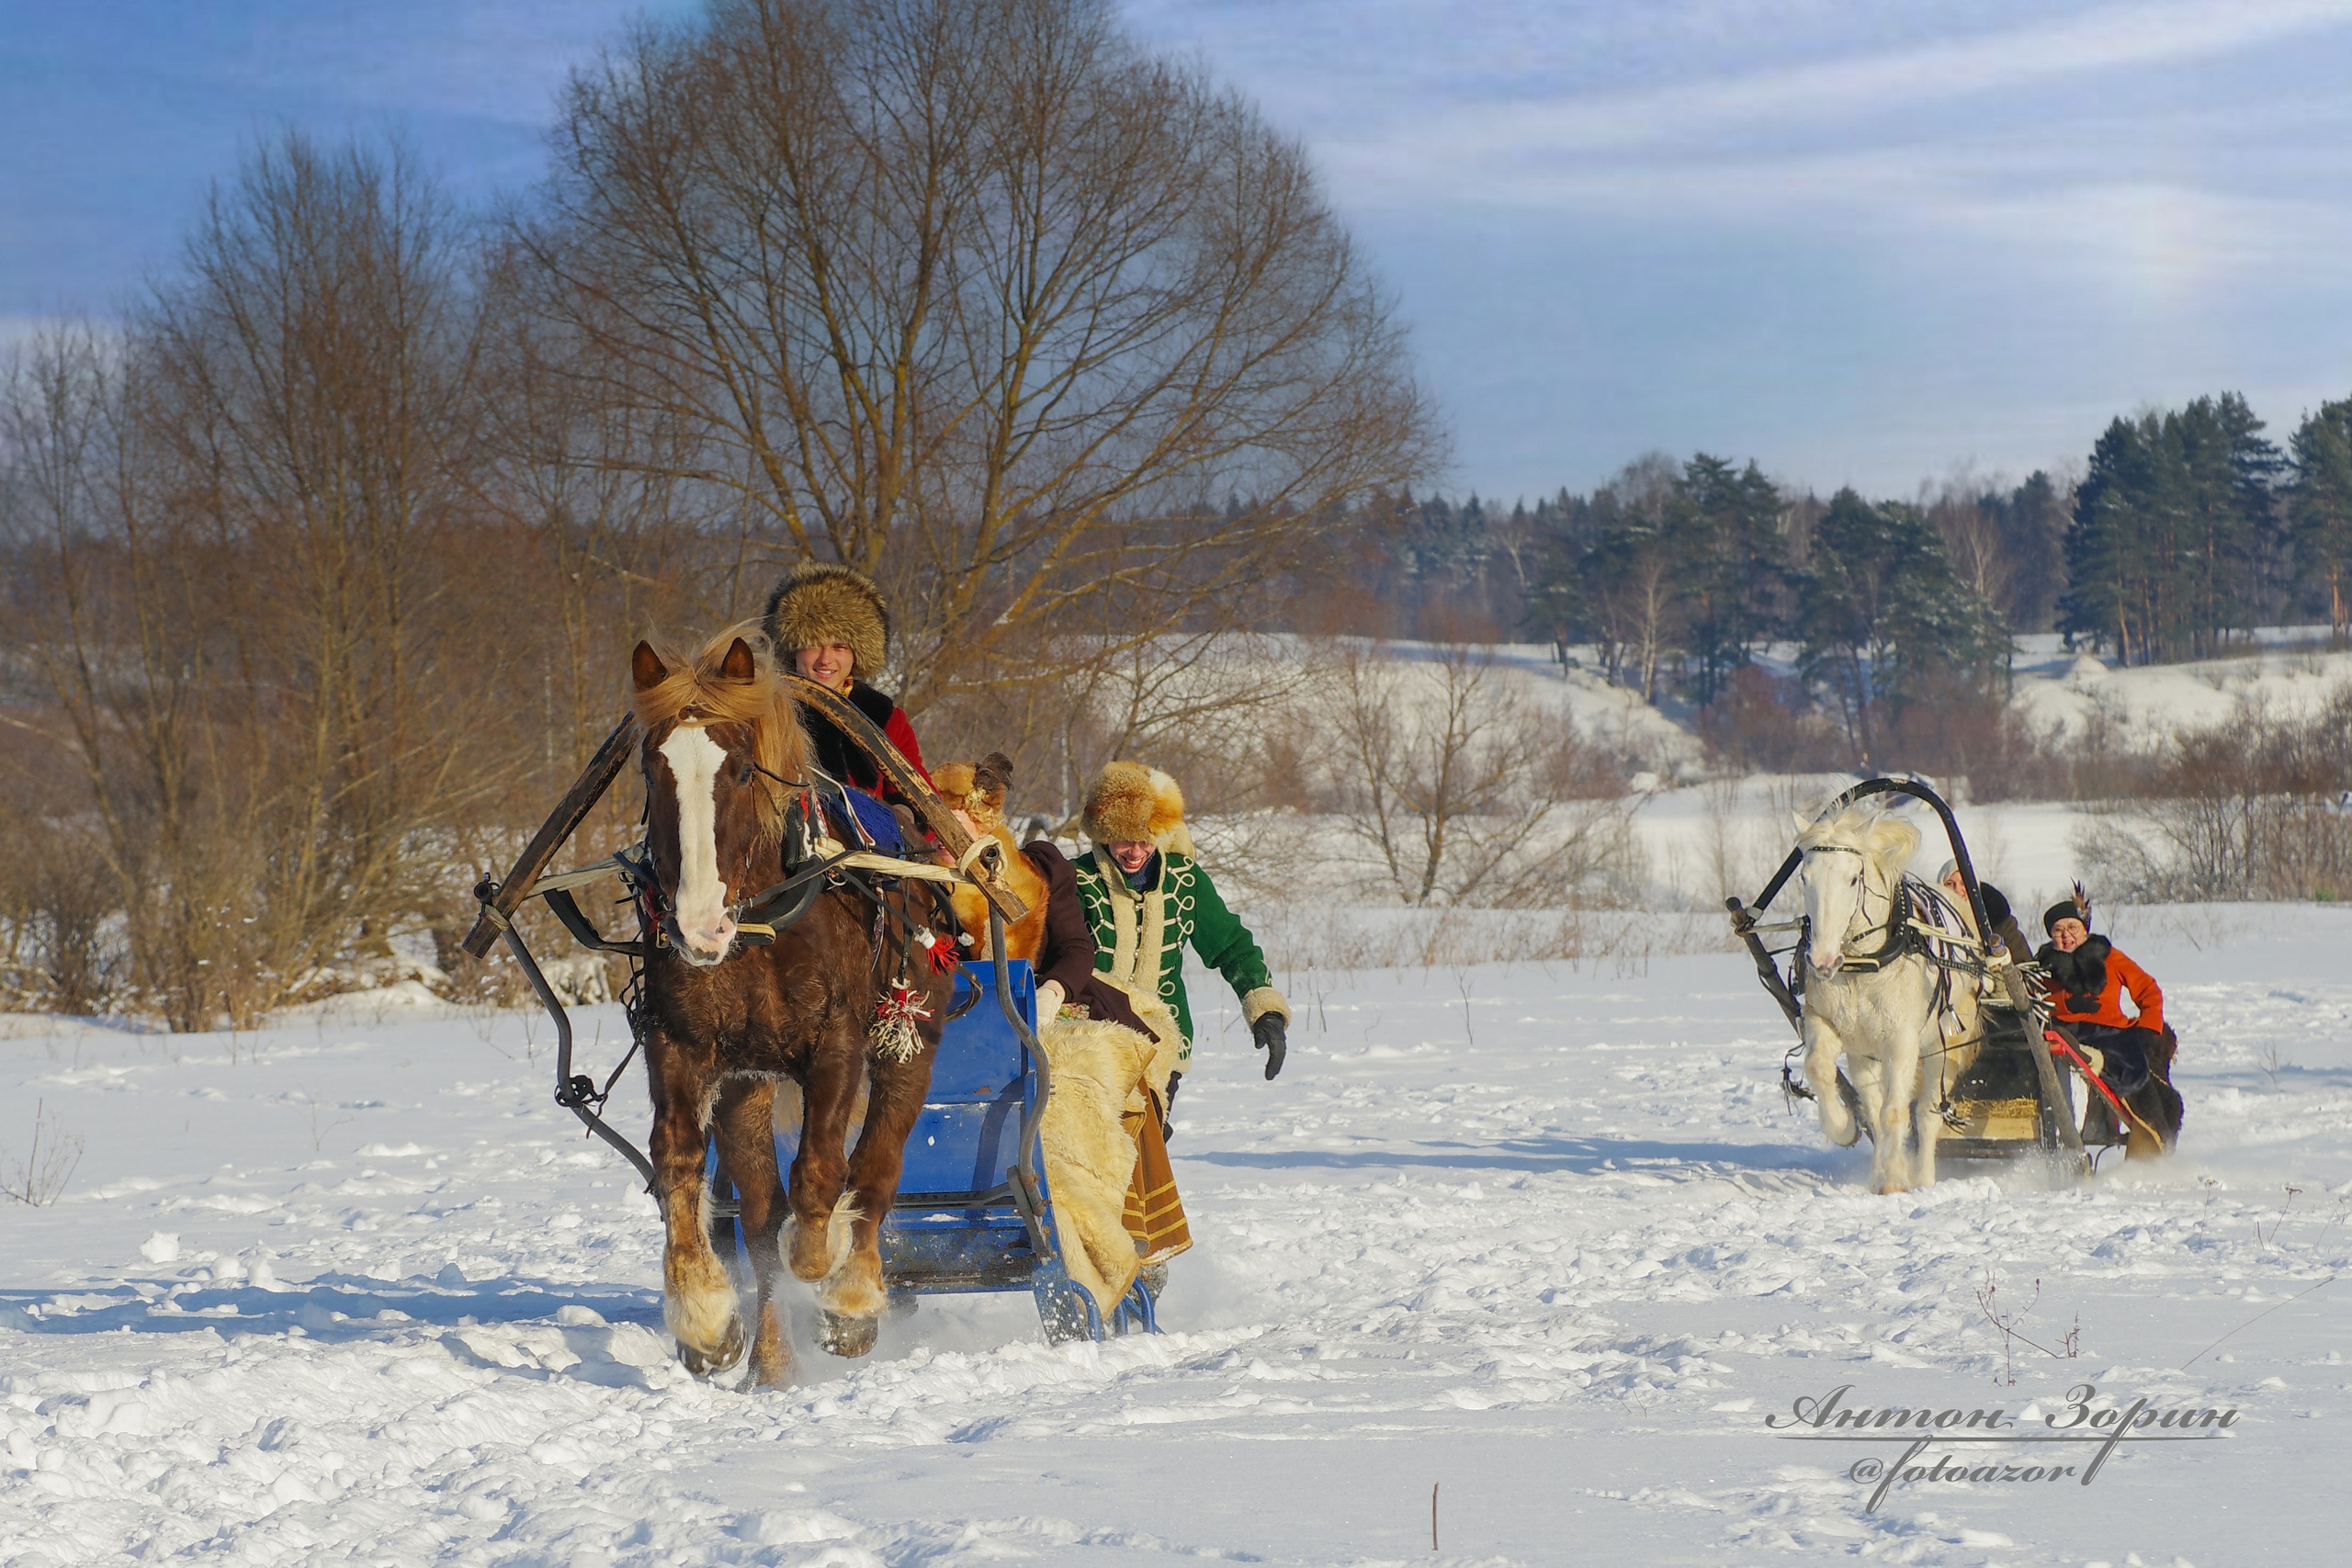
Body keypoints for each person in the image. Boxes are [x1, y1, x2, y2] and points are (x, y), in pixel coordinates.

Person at [1069, 761, 1290, 1120]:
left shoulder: (1185, 880)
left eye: (1146, 840)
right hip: (1090, 1041)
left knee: (1150, 1146)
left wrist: (1265, 1009)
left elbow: (1231, 946)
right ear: (1104, 833)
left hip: (1163, 1042)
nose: (1136, 852)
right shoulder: (1077, 879)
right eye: (1125, 840)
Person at [761, 562, 931, 847]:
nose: (825, 659)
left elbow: (918, 796)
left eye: (839, 647)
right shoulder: (765, 712)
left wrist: (902, 815)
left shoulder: (886, 718)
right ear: (792, 648)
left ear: (857, 655)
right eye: (814, 644)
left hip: (866, 863)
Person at [2034, 899, 2165, 1098]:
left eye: (2072, 927)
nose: (2066, 935)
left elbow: (2147, 988)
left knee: (2135, 1072)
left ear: (2084, 930)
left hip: (2110, 1032)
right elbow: (2032, 1001)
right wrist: (2065, 1005)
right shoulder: (2043, 964)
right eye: (2058, 930)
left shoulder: (2110, 956)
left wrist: (2148, 1026)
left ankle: (2096, 1076)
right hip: (2064, 1031)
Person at [1936, 861, 2031, 965]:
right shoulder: (1933, 919)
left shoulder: (1996, 917)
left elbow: (2022, 961)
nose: (1957, 889)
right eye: (1949, 883)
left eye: (1964, 883)